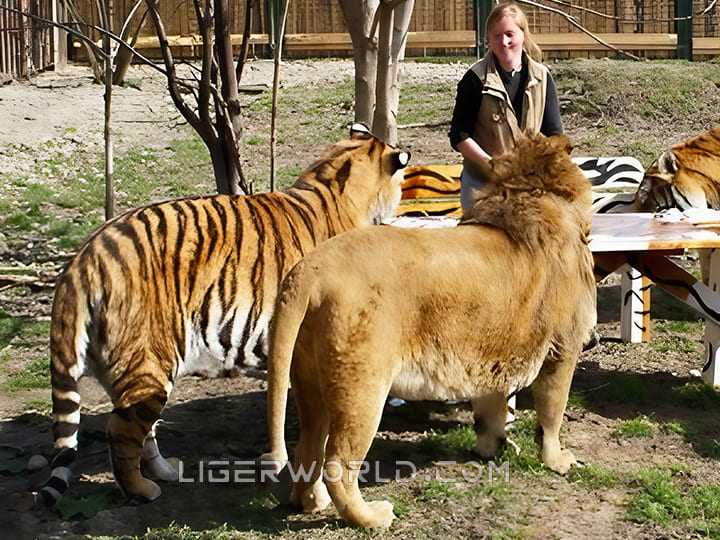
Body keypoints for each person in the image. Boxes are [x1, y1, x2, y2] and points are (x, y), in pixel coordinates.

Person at [449, 2, 564, 211]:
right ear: (489, 39)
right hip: (482, 186)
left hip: (530, 186)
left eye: (510, 34)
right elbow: (459, 136)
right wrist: (493, 167)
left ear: (523, 34)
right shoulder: (474, 79)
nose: (504, 41)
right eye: (497, 35)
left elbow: (554, 135)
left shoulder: (543, 77)